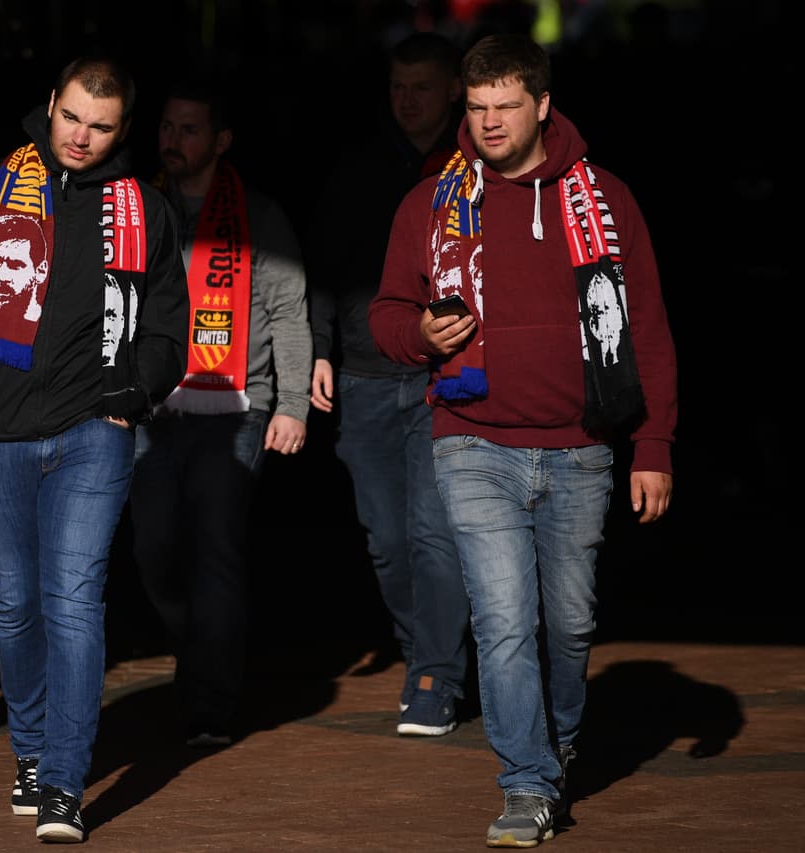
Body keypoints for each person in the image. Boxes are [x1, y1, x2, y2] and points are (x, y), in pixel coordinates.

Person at [370, 33, 677, 847]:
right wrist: (421, 336)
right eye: (476, 109)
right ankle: (527, 781)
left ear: (543, 105)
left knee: (569, 623)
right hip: (471, 438)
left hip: (581, 446)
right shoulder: (433, 203)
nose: (490, 122)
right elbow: (386, 312)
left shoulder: (604, 200)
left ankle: (559, 740)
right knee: (504, 618)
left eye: (507, 106)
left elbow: (645, 327)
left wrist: (654, 445)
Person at [0, 56, 188, 843]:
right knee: (14, 601)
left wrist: (127, 401)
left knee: (73, 600)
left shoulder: (146, 211)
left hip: (90, 437)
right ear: (50, 108)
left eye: (101, 127)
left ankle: (64, 781)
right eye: (72, 118)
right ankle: (31, 751)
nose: (82, 137)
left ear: (124, 131)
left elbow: (169, 325)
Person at [130, 79, 311, 748]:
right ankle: (198, 642)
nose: (173, 141)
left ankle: (209, 705)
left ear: (221, 140)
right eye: (167, 127)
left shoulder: (259, 215)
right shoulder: (137, 209)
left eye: (189, 129)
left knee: (215, 543)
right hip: (153, 409)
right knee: (153, 545)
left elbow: (289, 313)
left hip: (238, 410)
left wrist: (292, 405)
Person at [306, 30, 471, 737]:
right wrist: (317, 347)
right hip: (367, 374)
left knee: (437, 534)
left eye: (422, 87)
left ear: (453, 91)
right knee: (387, 538)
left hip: (447, 377)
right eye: (398, 87)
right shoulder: (359, 166)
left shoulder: (475, 167)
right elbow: (317, 264)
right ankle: (423, 649)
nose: (408, 100)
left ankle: (436, 672)